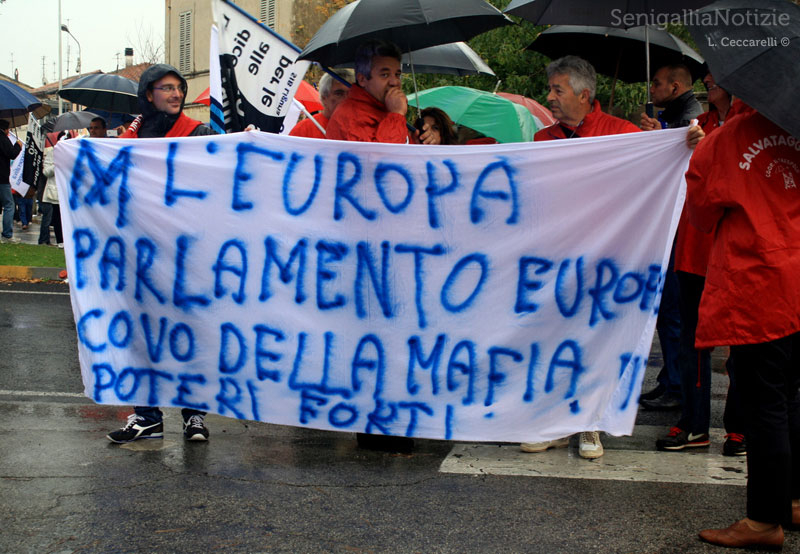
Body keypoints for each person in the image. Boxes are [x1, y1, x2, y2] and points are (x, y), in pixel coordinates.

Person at [525, 56, 703, 460]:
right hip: (558, 259)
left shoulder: (622, 133)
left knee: (597, 341)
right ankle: (556, 422)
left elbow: (658, 177)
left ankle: (590, 423)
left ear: (584, 95)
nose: (549, 97)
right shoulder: (542, 138)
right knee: (556, 340)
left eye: (557, 90)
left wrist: (668, 144)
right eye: (550, 89)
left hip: (610, 261)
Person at [686, 104, 800, 550]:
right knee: (792, 396)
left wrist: (705, 151)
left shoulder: (728, 138)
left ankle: (763, 520)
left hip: (760, 283)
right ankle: (793, 499)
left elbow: (701, 215)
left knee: (764, 404)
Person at [108, 63, 216, 444]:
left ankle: (194, 416)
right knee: (144, 335)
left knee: (190, 333)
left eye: (179, 88)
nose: (176, 94)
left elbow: (221, 169)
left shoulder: (198, 133)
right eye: (167, 88)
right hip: (144, 254)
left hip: (188, 254)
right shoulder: (132, 138)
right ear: (148, 95)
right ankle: (147, 417)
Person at [655, 73, 745, 454]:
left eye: (717, 73)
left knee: (742, 343)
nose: (708, 78)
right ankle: (694, 425)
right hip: (694, 249)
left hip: (737, 252)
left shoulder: (752, 126)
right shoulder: (697, 125)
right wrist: (659, 140)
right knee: (693, 341)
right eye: (707, 72)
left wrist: (710, 148)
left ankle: (740, 428)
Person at [638, 64, 704, 412]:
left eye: (657, 83)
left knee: (674, 311)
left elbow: (687, 157)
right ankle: (671, 379)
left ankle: (677, 384)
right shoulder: (675, 115)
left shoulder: (691, 117)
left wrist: (661, 132)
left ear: (675, 87)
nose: (652, 89)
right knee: (668, 311)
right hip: (673, 226)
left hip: (681, 229)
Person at [326, 39, 439, 145]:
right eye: (384, 75)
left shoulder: (384, 108)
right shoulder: (350, 116)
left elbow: (398, 153)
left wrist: (415, 143)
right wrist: (397, 115)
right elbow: (381, 155)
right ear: (362, 79)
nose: (395, 82)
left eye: (397, 74)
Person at [289, 69, 354, 139]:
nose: (346, 99)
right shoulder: (303, 130)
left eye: (351, 93)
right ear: (324, 98)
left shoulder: (360, 127)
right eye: (339, 94)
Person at [640, 64, 704, 130]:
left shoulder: (687, 122)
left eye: (657, 84)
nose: (651, 90)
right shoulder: (677, 113)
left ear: (675, 88)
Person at [39, 132, 65, 247]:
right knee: (51, 218)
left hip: (66, 191)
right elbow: (46, 172)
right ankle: (52, 241)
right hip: (53, 192)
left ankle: (63, 240)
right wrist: (57, 165)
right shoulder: (52, 153)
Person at [0, 119, 23, 243]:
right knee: (9, 205)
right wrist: (18, 146)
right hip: (2, 177)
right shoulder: (3, 139)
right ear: (5, 129)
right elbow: (11, 153)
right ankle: (7, 234)